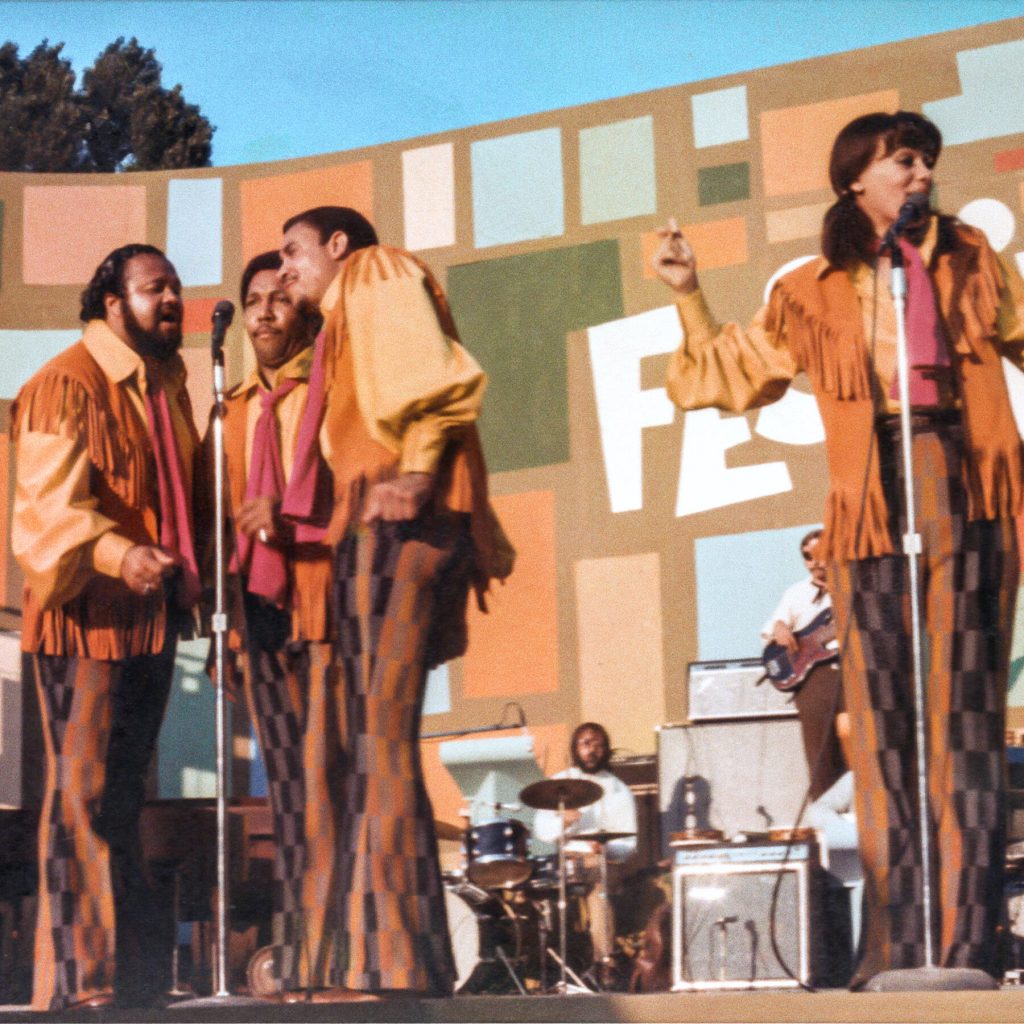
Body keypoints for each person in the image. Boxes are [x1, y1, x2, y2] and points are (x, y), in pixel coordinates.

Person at [652, 110, 1024, 987]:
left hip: (967, 484)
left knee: (962, 724)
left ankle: (967, 944)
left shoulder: (972, 257)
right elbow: (727, 373)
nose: (922, 174)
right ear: (856, 177)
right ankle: (897, 945)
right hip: (870, 500)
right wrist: (687, 290)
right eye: (905, 160)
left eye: (928, 161)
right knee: (885, 727)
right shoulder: (811, 286)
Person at [277, 206, 514, 999]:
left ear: (338, 245)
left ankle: (390, 964)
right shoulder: (337, 324)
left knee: (378, 736)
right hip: (372, 517)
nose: (286, 270)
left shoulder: (376, 271)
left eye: (294, 252)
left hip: (396, 512)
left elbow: (431, 375)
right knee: (375, 739)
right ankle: (402, 958)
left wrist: (415, 470)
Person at [11, 245, 202, 1011]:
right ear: (112, 302)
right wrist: (123, 554)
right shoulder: (67, 382)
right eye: (155, 288)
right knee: (82, 800)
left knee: (120, 804)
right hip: (83, 619)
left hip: (147, 623)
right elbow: (45, 516)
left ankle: (131, 986)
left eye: (176, 287)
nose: (172, 299)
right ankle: (79, 985)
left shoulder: (164, 388)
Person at [211, 251, 336, 998]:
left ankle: (339, 954)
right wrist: (224, 632)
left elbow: (353, 487)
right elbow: (216, 522)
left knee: (327, 778)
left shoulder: (329, 392)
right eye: (252, 300)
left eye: (278, 299)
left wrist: (292, 521)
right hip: (255, 613)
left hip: (318, 600)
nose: (262, 311)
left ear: (303, 314)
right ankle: (303, 952)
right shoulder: (230, 412)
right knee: (285, 788)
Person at [533, 723, 638, 974]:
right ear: (575, 748)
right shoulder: (558, 783)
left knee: (600, 883)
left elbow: (629, 845)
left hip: (599, 861)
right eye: (586, 744)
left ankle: (605, 964)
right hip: (564, 859)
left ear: (606, 750)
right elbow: (542, 831)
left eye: (599, 745)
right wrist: (563, 822)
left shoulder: (619, 791)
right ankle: (543, 964)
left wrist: (607, 849)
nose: (592, 750)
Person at [761, 528, 846, 801]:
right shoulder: (795, 593)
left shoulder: (852, 584)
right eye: (807, 557)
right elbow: (773, 628)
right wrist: (779, 627)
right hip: (814, 680)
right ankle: (825, 809)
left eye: (819, 554)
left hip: (851, 671)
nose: (815, 562)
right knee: (820, 754)